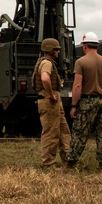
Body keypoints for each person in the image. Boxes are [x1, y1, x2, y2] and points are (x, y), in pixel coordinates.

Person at [66, 32, 102, 170]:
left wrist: (74, 105)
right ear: (97, 45)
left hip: (87, 102)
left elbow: (77, 86)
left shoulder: (81, 62)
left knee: (79, 133)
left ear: (84, 46)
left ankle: (71, 162)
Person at [33, 37, 71, 169]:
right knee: (51, 132)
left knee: (63, 130)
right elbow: (45, 78)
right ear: (49, 50)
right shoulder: (46, 63)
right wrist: (51, 94)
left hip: (54, 101)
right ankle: (49, 164)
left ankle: (68, 159)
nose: (58, 52)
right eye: (56, 49)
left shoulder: (47, 62)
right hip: (49, 101)